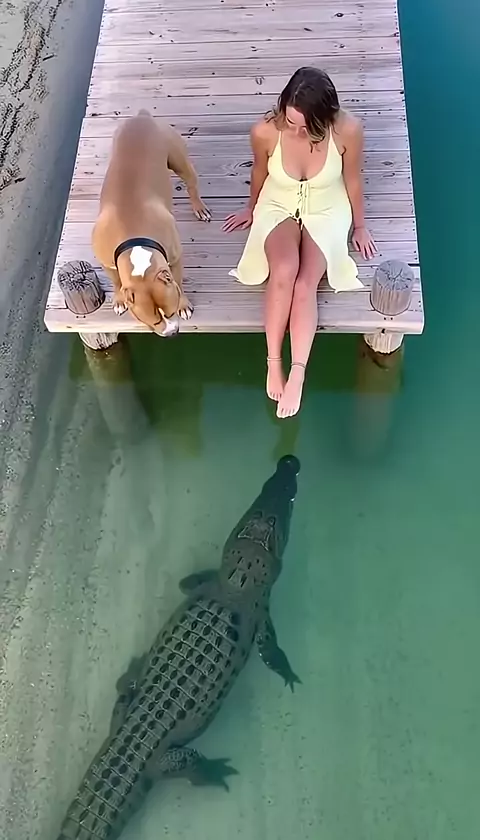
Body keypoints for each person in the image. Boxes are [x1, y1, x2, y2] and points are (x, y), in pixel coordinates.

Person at [223, 67, 377, 418]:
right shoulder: (264, 131)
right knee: (283, 269)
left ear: (324, 117)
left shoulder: (348, 130)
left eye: (305, 126)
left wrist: (360, 226)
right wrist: (250, 208)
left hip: (327, 207)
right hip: (278, 202)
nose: (295, 131)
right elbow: (259, 172)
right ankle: (273, 361)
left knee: (307, 284)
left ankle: (298, 373)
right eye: (290, 122)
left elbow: (353, 180)